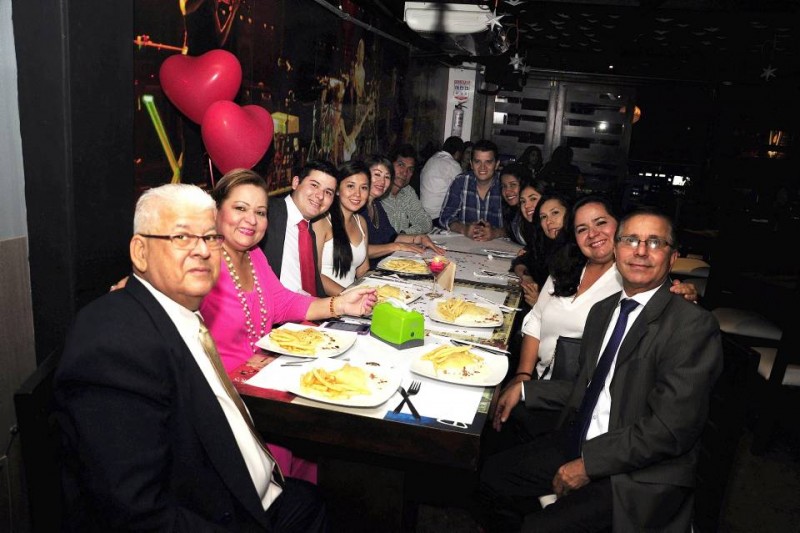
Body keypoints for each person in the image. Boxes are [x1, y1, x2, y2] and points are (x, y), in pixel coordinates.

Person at [55, 183, 329, 531]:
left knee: (315, 502)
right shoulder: (113, 341)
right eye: (181, 238)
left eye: (210, 237)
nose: (202, 250)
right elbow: (135, 512)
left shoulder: (181, 309)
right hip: (215, 514)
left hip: (253, 493)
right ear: (140, 252)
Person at [478, 207, 723, 532]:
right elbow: (589, 386)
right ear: (617, 249)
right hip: (586, 438)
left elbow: (669, 430)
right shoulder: (604, 311)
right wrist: (523, 388)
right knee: (490, 476)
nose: (639, 251)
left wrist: (589, 465)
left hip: (639, 472)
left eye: (654, 243)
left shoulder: (692, 325)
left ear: (673, 256)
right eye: (631, 240)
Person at [492, 196, 699, 450]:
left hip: (577, 395)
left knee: (499, 437)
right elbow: (536, 318)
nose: (593, 234)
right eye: (582, 229)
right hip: (538, 378)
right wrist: (523, 375)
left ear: (620, 227)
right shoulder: (567, 266)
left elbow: (665, 309)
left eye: (601, 223)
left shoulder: (634, 278)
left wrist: (683, 295)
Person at [260, 160, 337, 296]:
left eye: (328, 192)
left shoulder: (308, 230)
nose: (320, 196)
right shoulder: (267, 213)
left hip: (308, 311)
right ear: (296, 183)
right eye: (314, 185)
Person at [361, 154, 444, 269]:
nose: (382, 181)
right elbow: (357, 251)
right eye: (377, 175)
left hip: (382, 266)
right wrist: (397, 246)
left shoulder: (376, 205)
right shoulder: (357, 208)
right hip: (367, 272)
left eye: (387, 177)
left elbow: (391, 237)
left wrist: (418, 238)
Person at [314, 160, 371, 295]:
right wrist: (348, 295)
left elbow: (363, 270)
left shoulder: (361, 222)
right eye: (351, 186)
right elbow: (315, 275)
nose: (357, 194)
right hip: (328, 303)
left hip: (352, 300)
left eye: (364, 188)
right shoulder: (322, 222)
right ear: (338, 190)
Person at [511, 191, 570, 308]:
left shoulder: (578, 254)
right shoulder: (545, 244)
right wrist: (527, 276)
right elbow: (521, 261)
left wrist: (539, 303)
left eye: (555, 213)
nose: (549, 221)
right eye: (544, 217)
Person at [439, 139, 505, 241]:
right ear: (471, 164)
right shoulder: (461, 181)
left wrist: (495, 233)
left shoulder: (505, 184)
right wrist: (465, 229)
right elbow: (445, 218)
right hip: (465, 244)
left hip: (501, 247)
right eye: (477, 161)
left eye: (488, 162)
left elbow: (517, 226)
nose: (482, 167)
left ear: (496, 164)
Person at [378, 144, 432, 235]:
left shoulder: (407, 191)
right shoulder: (377, 192)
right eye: (401, 165)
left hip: (401, 246)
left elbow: (426, 223)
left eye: (410, 169)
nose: (405, 172)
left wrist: (404, 234)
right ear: (389, 166)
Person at [420, 135, 465, 225]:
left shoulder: (431, 159)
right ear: (457, 153)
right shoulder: (453, 165)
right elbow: (463, 191)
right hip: (437, 217)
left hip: (422, 214)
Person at [499, 163, 533, 245]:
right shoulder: (513, 212)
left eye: (513, 185)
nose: (507, 191)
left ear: (524, 185)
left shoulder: (534, 211)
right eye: (504, 186)